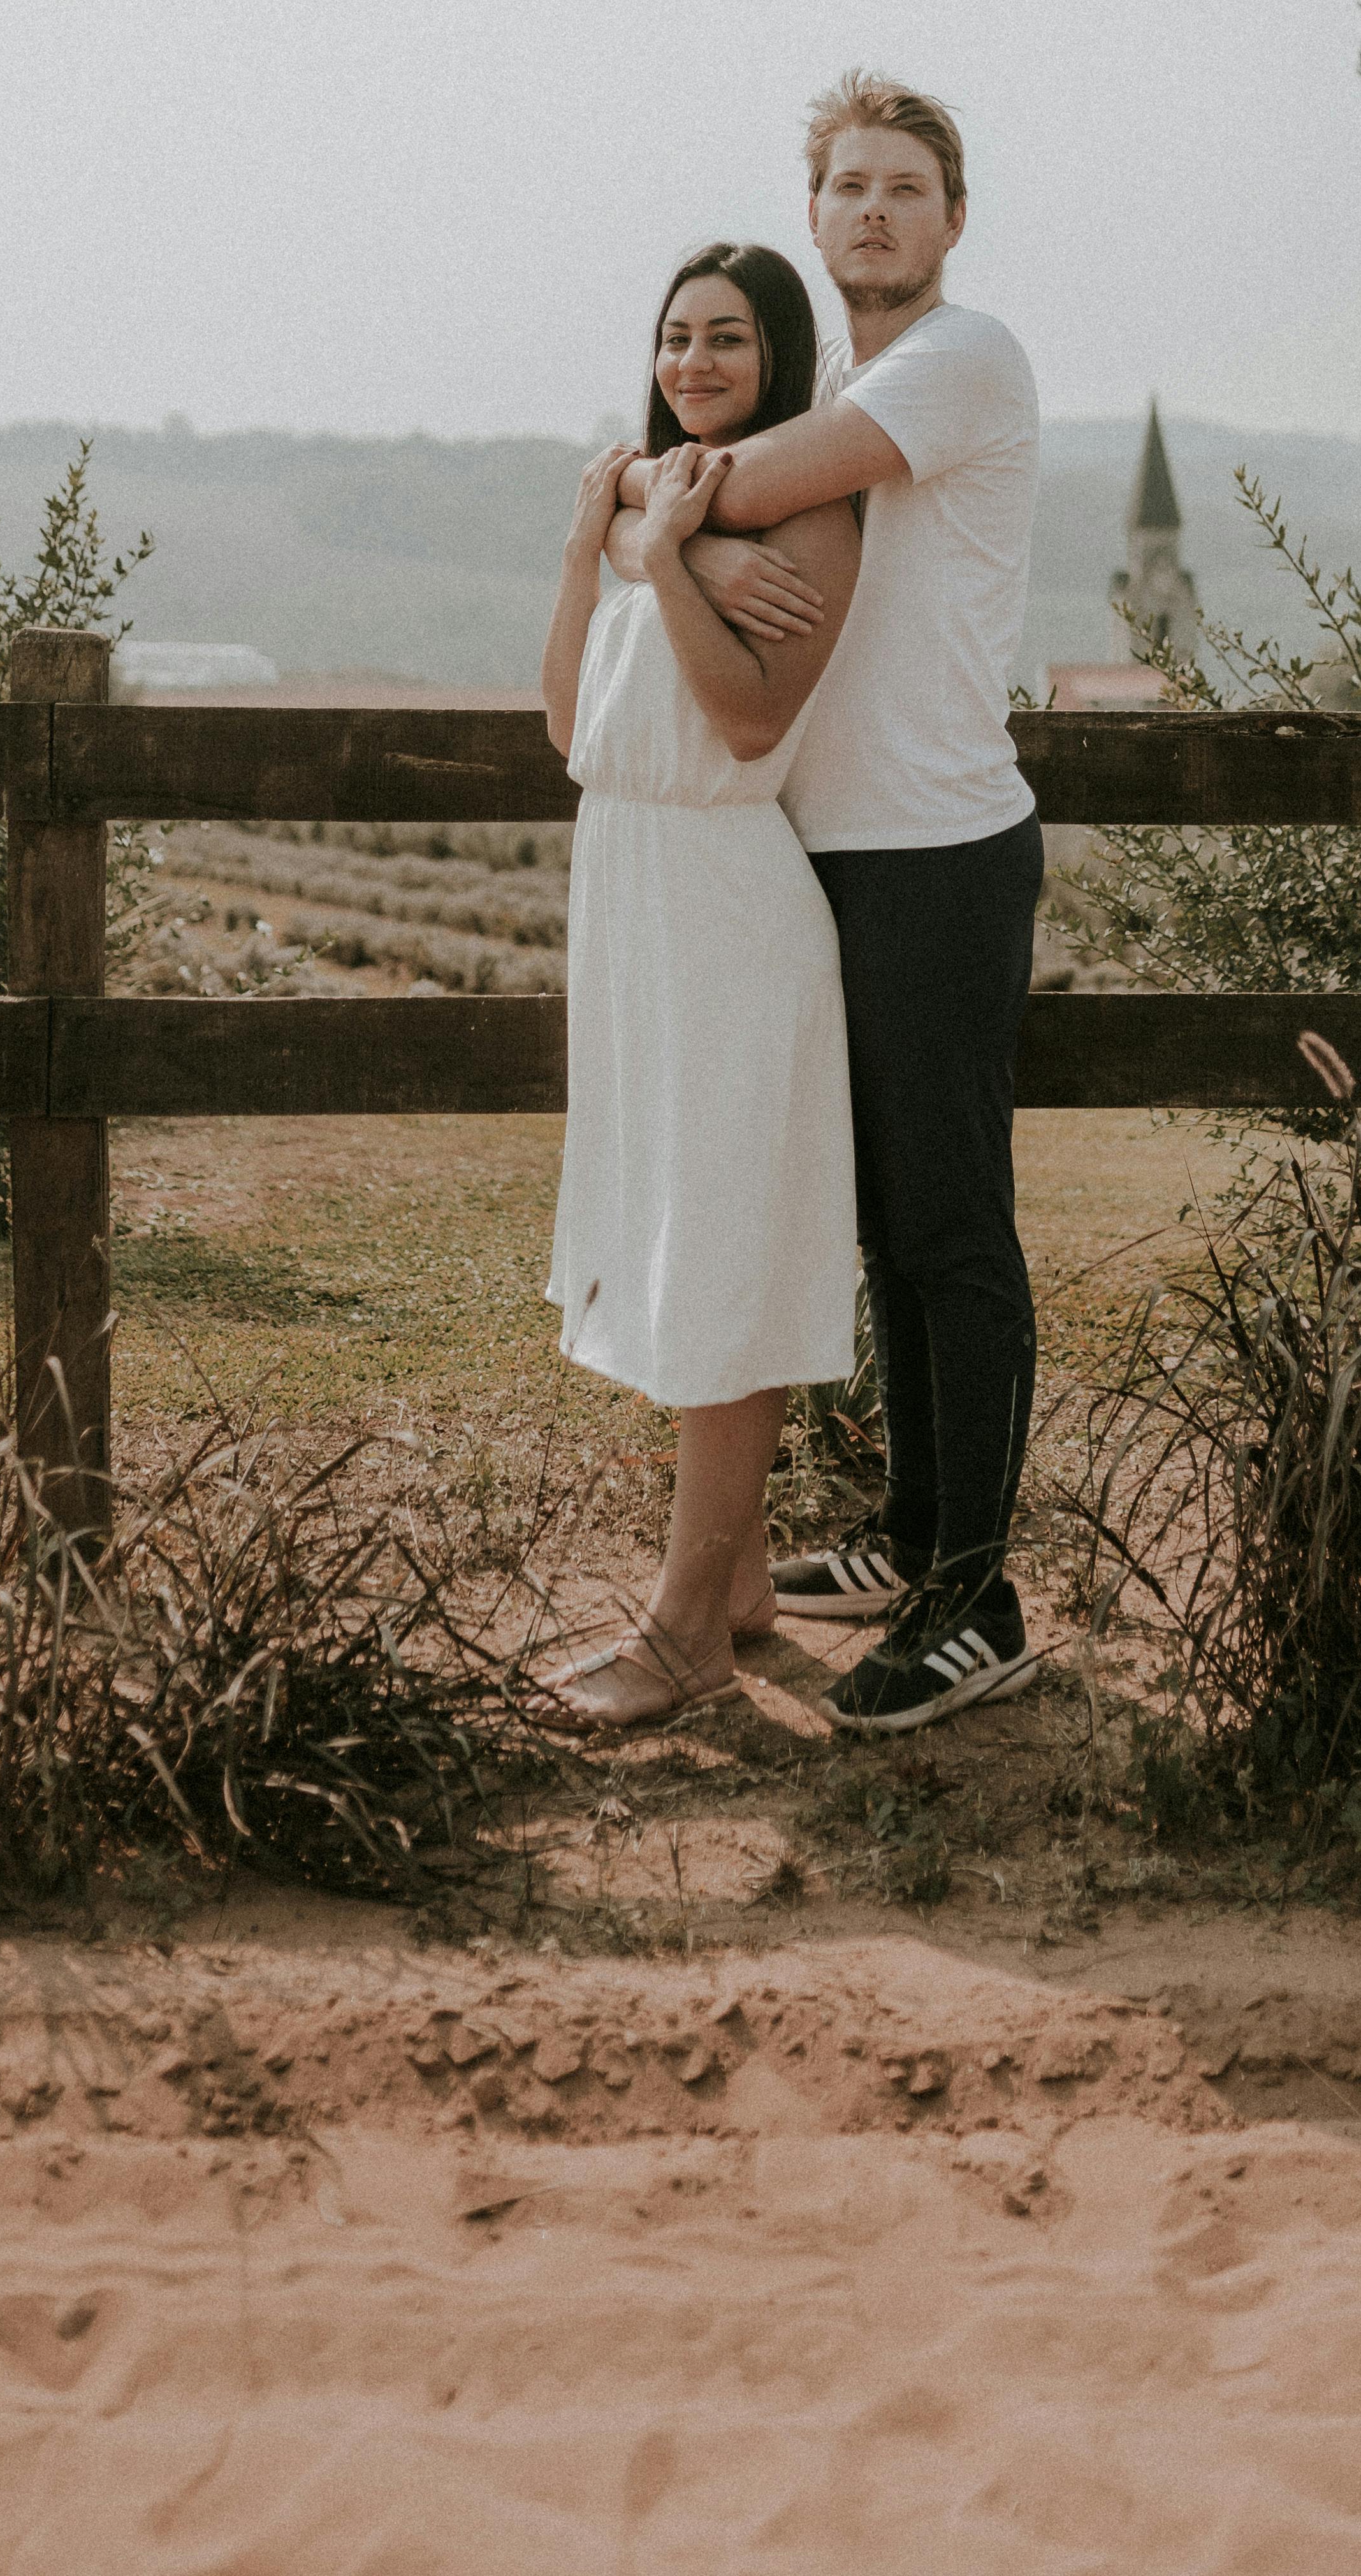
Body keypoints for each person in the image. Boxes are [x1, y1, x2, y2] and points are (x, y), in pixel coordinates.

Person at [604, 71, 1044, 1733]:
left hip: (939, 855)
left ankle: (978, 1600)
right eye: (848, 187)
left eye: (906, 189)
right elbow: (716, 479)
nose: (873, 211)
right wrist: (686, 524)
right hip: (825, 864)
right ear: (815, 218)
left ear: (950, 221)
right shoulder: (841, 388)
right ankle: (918, 1535)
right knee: (877, 1232)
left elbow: (724, 476)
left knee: (952, 1232)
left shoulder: (958, 362)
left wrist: (667, 523)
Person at [537, 241, 864, 1731]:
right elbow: (565, 722)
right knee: (681, 1240)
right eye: (675, 337)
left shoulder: (812, 513)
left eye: (728, 340)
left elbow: (743, 723)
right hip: (635, 908)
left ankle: (684, 1637)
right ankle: (731, 1587)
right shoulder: (650, 502)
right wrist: (596, 539)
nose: (695, 364)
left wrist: (665, 552)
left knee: (727, 1252)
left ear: (779, 359)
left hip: (729, 912)